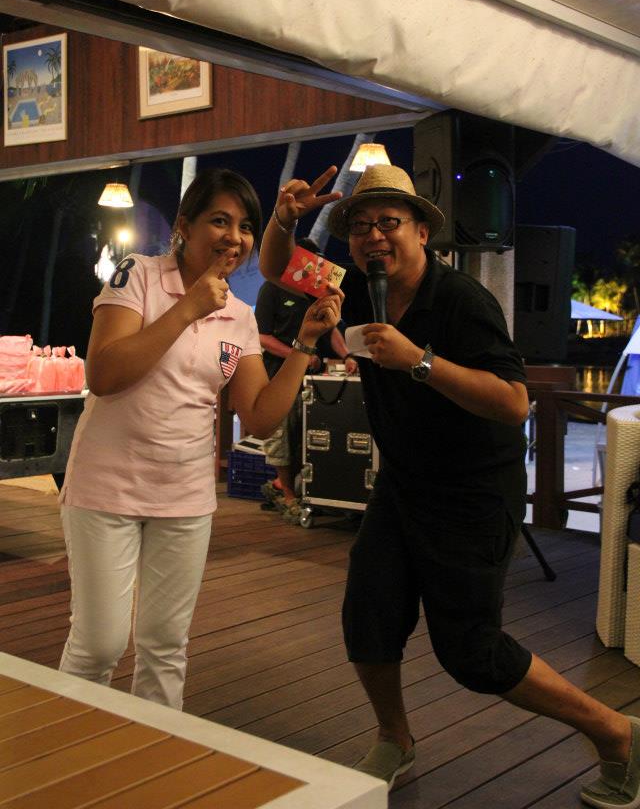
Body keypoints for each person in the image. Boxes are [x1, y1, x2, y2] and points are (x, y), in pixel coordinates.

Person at [259, 163, 639, 807]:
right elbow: (276, 267)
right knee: (368, 616)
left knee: (472, 652)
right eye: (360, 226)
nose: (373, 236)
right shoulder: (358, 289)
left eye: (389, 222)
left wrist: (420, 360)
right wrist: (281, 220)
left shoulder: (462, 300)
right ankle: (395, 739)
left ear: (420, 232)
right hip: (402, 483)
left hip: (472, 491)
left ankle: (619, 734)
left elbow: (514, 403)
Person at [58, 168, 342, 710]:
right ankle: (67, 748)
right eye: (219, 221)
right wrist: (189, 306)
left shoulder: (239, 316)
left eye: (245, 226)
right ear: (184, 227)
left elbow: (260, 418)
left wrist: (305, 343)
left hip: (185, 498)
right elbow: (106, 374)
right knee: (99, 645)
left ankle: (156, 751)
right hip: (106, 488)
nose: (234, 237)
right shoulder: (137, 275)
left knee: (165, 646)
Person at [255, 236, 357, 519]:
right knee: (282, 435)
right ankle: (288, 495)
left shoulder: (317, 292)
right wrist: (298, 354)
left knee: (308, 432)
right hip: (278, 374)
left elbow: (331, 330)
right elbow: (263, 337)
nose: (313, 268)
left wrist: (348, 356)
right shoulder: (271, 289)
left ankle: (286, 486)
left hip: (312, 379)